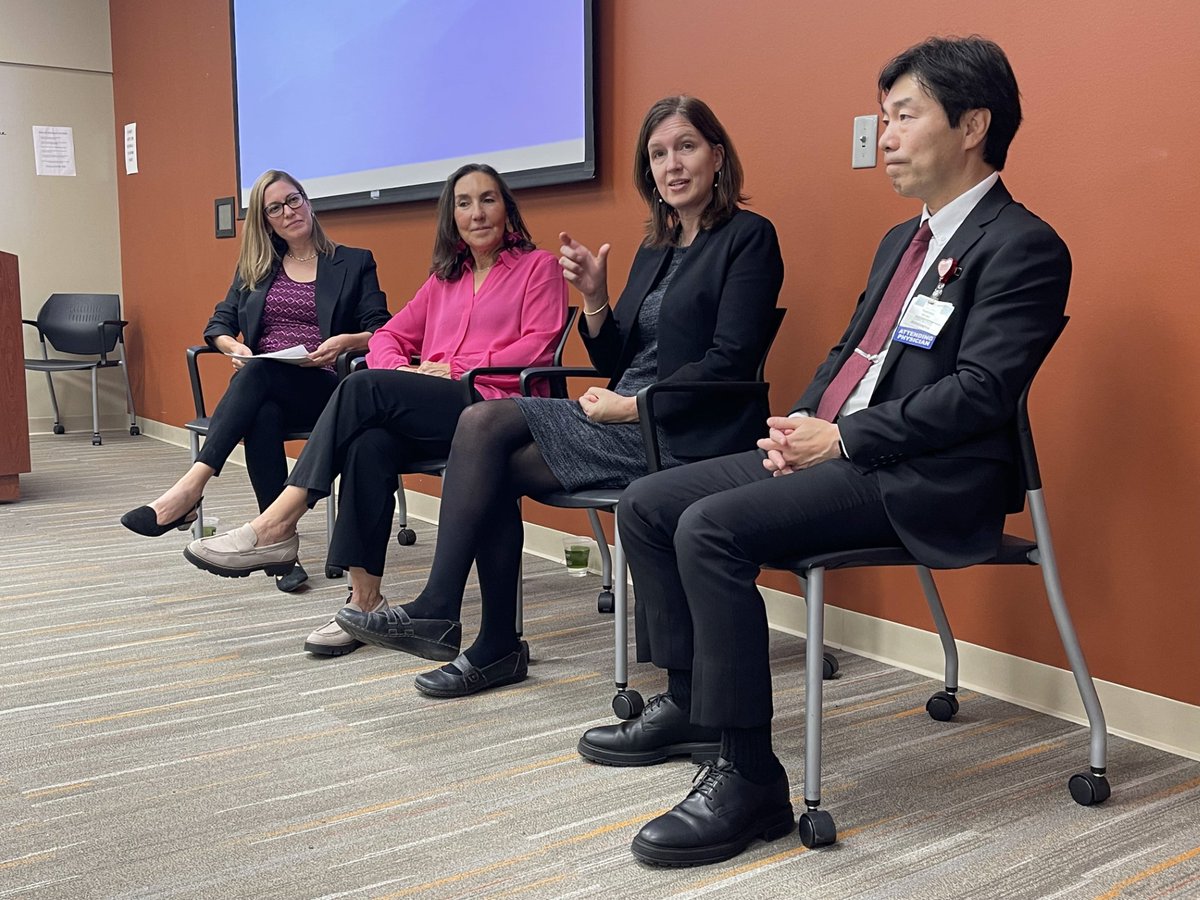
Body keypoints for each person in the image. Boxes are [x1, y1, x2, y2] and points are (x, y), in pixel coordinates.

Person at [585, 36, 1072, 868]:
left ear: (972, 125)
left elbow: (981, 393)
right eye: (883, 118)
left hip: (925, 476)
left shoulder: (1023, 245)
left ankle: (748, 778)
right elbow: (854, 353)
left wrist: (842, 435)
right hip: (843, 451)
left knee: (710, 528)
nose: (883, 135)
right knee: (648, 504)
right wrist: (801, 425)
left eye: (902, 116)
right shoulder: (900, 242)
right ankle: (695, 700)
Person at [334, 95, 784, 698]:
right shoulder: (657, 246)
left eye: (686, 147)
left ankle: (445, 609)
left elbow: (729, 361)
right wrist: (596, 302)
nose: (672, 165)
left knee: (485, 424)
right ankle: (493, 645)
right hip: (621, 418)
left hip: (683, 431)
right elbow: (615, 359)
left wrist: (636, 405)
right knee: (487, 450)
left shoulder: (749, 238)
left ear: (717, 156)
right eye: (658, 154)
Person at [180, 163, 567, 656]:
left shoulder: (539, 268)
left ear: (507, 208)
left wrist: (454, 367)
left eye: (488, 200)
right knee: (369, 443)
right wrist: (401, 370)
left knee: (363, 389)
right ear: (452, 217)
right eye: (464, 203)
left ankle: (278, 522)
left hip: (496, 409)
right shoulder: (446, 278)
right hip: (441, 410)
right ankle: (364, 604)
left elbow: (539, 345)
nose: (476, 213)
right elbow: (388, 335)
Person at [120, 169, 391, 590]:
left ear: (308, 201)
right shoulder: (257, 268)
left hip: (328, 387)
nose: (289, 211)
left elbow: (382, 328)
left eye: (294, 199)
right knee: (261, 410)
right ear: (266, 221)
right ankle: (281, 549)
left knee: (260, 376)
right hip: (267, 384)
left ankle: (191, 487)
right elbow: (220, 323)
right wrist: (234, 348)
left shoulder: (353, 261)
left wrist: (345, 342)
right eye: (275, 208)